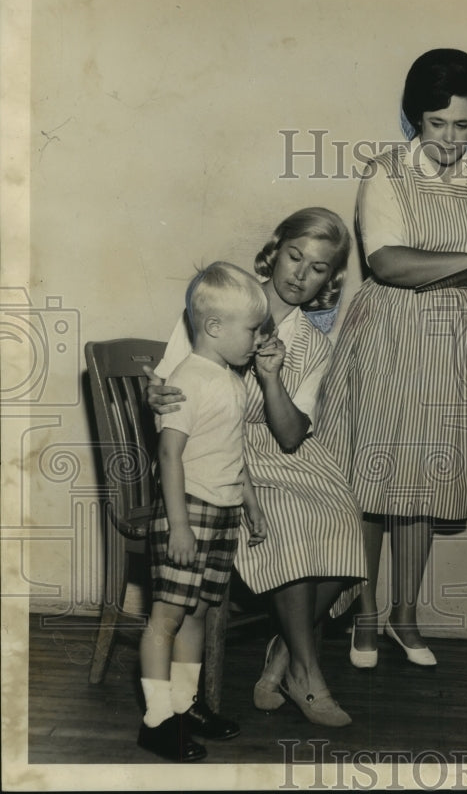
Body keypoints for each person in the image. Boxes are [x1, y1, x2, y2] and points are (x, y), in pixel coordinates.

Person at [314, 48, 467, 669]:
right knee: (374, 481)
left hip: (450, 341)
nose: (452, 140)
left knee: (423, 482)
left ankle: (406, 615)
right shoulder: (385, 173)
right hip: (388, 335)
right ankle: (366, 615)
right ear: (413, 121)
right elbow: (388, 263)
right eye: (438, 125)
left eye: (464, 126)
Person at [145, 207, 366, 728]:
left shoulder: (313, 343)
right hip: (216, 455)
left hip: (282, 452)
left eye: (317, 269)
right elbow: (168, 381)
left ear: (329, 280)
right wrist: (157, 393)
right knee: (290, 521)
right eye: (294, 257)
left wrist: (271, 379)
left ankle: (285, 653)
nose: (299, 275)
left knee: (343, 520)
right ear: (276, 248)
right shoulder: (224, 301)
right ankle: (307, 675)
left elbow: (291, 434)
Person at [138, 261, 269, 762]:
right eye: (252, 329)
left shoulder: (232, 378)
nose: (257, 339)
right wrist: (178, 525)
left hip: (223, 509)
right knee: (166, 618)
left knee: (196, 613)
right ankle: (155, 720)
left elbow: (234, 451)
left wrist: (251, 502)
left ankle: (185, 704)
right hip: (188, 511)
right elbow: (169, 456)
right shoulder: (187, 380)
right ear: (214, 327)